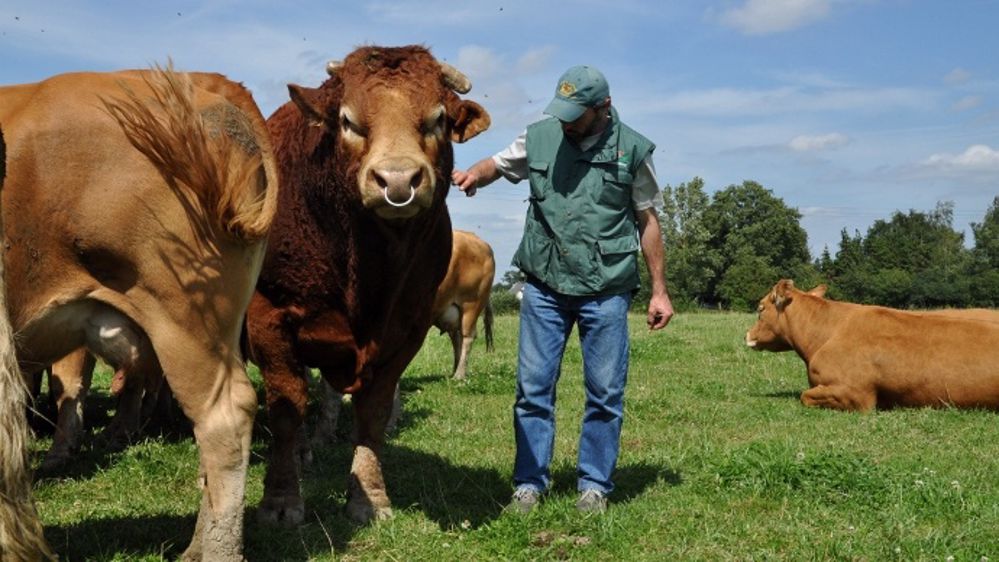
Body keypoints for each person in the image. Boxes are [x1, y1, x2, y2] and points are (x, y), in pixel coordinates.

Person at [451, 65, 674, 514]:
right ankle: (528, 486)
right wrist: (474, 175)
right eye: (562, 112)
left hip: (606, 288)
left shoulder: (632, 150)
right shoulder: (540, 136)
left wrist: (659, 290)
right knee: (532, 390)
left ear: (603, 108)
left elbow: (647, 221)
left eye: (576, 114)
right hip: (545, 286)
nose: (566, 122)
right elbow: (497, 163)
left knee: (605, 393)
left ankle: (593, 486)